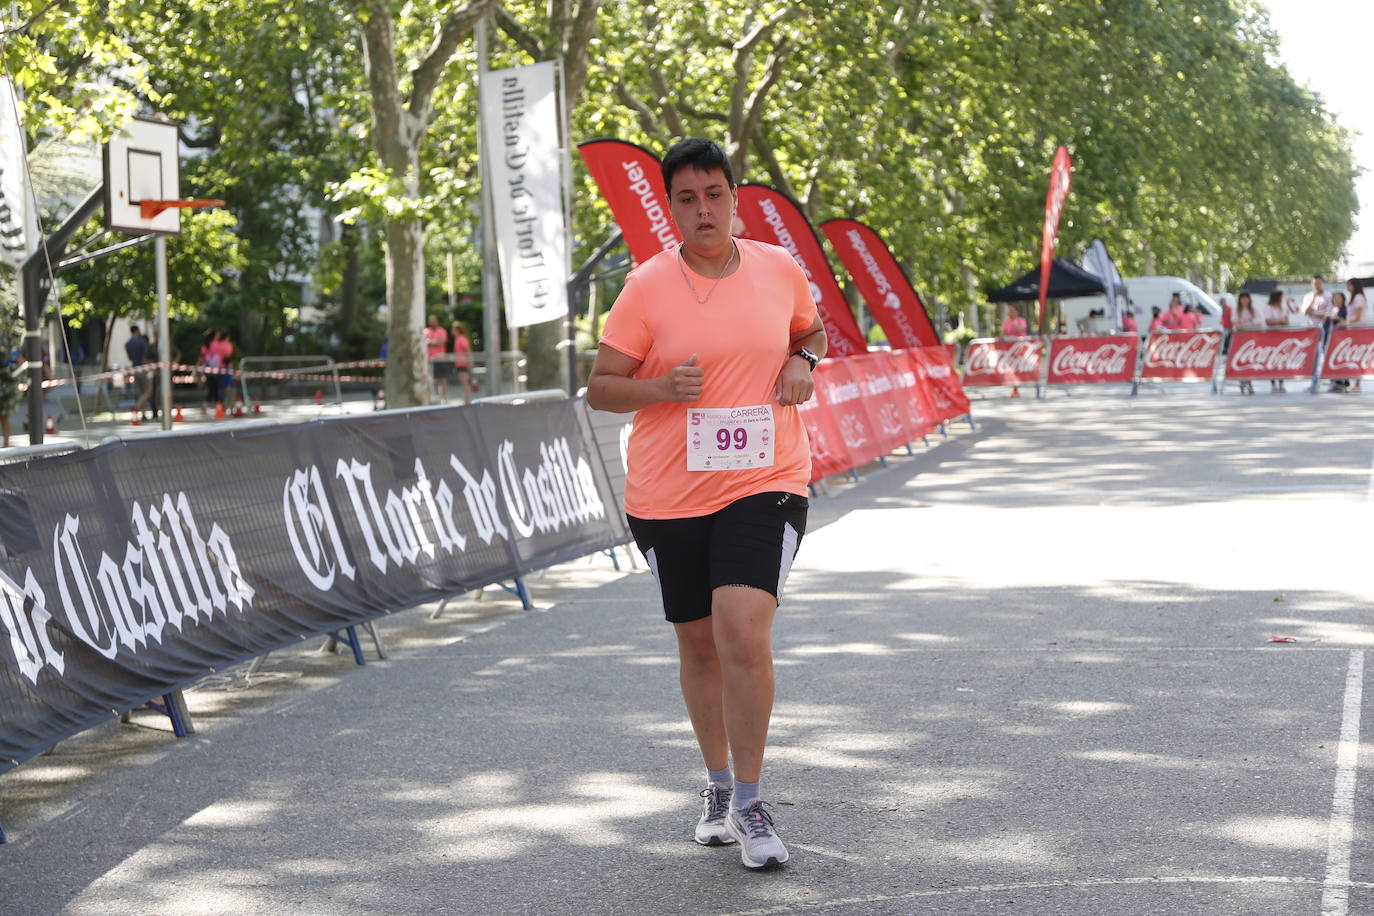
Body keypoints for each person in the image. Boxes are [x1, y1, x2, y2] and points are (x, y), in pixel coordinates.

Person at [586, 137, 825, 871]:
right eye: (686, 199)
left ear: (733, 198)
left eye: (714, 194)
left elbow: (811, 331)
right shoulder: (647, 287)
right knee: (698, 645)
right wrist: (659, 389)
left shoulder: (778, 269)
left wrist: (801, 360)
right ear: (670, 208)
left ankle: (752, 803)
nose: (703, 210)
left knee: (742, 632)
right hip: (668, 493)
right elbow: (599, 386)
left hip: (767, 479)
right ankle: (717, 785)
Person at [1234, 293, 1263, 394]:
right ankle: (1242, 381)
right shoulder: (1237, 311)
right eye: (1243, 298)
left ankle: (1249, 382)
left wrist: (1246, 326)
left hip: (1251, 340)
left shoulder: (1254, 310)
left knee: (1250, 361)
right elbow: (1236, 324)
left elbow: (1259, 322)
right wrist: (1249, 326)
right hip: (1240, 340)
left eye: (1246, 298)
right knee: (1241, 361)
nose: (1245, 300)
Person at [0, 308, 21, 447]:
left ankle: (6, 444)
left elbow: (18, 358)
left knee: (4, 416)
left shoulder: (6, 339)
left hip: (4, 385)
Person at [125, 324, 155, 419]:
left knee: (140, 392)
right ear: (137, 330)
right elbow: (146, 355)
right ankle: (137, 407)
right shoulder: (142, 342)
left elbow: (130, 358)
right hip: (143, 368)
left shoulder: (128, 344)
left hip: (134, 368)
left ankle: (143, 414)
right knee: (148, 391)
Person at [1262, 290, 1289, 391]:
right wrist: (1280, 322)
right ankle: (1273, 383)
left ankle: (1281, 382)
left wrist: (1279, 322)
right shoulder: (1268, 308)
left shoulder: (1283, 308)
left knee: (1281, 359)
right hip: (1271, 337)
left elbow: (1286, 322)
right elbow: (1268, 321)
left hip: (1281, 336)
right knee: (1271, 359)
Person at [1347, 279, 1368, 391]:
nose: (1347, 288)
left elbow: (1358, 317)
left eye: (1349, 285)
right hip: (1354, 331)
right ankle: (1355, 382)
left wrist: (1346, 322)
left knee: (1357, 357)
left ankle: (1357, 383)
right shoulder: (1355, 297)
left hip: (1357, 331)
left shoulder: (1358, 297)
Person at [424, 314, 450, 402]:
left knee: (442, 379)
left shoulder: (442, 331)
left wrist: (430, 342)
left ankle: (443, 398)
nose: (431, 322)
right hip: (429, 360)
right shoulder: (426, 331)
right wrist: (434, 342)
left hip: (440, 359)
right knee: (428, 380)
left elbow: (441, 342)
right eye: (430, 320)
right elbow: (424, 343)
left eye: (433, 320)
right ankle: (429, 399)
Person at [200, 329, 224, 410]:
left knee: (213, 387)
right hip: (214, 368)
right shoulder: (216, 344)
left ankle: (210, 405)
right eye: (217, 334)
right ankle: (217, 406)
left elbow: (202, 357)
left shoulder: (206, 345)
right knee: (214, 387)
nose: (219, 336)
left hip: (207, 367)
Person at [451, 319, 473, 405]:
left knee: (465, 382)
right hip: (459, 364)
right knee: (463, 382)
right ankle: (466, 399)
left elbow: (467, 350)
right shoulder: (457, 339)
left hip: (464, 363)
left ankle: (467, 400)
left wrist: (469, 361)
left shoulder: (461, 339)